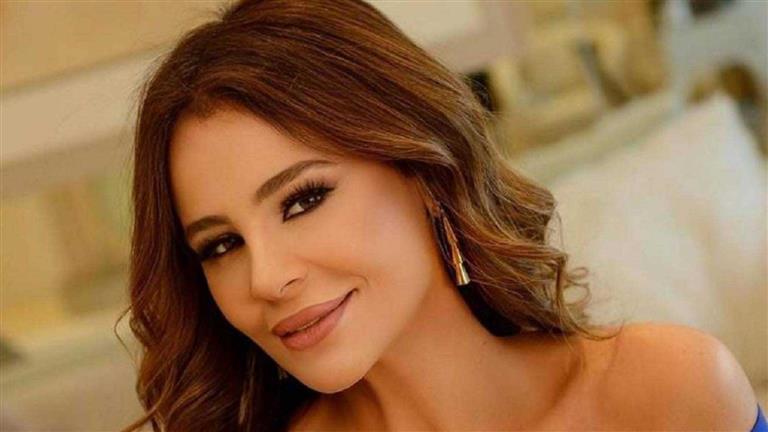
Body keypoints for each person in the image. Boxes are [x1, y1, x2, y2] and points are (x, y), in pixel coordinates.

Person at [121, 0, 764, 431]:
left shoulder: (670, 393)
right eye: (221, 245)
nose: (265, 278)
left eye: (303, 200)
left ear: (426, 174)